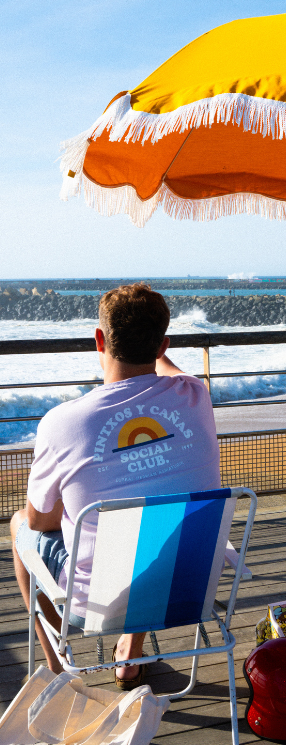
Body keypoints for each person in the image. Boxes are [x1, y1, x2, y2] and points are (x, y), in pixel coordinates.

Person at [11, 284, 220, 686]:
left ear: (99, 340)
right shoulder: (195, 395)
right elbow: (170, 371)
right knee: (154, 516)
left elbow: (40, 521)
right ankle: (131, 652)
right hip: (189, 584)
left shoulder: (63, 423)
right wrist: (155, 347)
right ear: (163, 346)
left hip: (98, 603)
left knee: (20, 524)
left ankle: (59, 667)